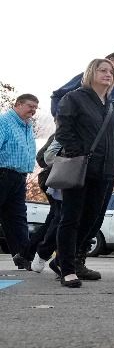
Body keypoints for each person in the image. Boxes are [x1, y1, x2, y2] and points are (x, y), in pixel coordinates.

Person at [50, 49, 114, 276]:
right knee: (71, 218)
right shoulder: (74, 98)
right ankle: (68, 269)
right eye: (103, 70)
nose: (108, 74)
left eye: (111, 71)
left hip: (106, 170)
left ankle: (66, 259)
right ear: (91, 73)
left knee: (92, 220)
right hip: (80, 168)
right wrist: (77, 152)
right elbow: (64, 130)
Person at [1, 93, 39, 270]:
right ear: (18, 104)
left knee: (17, 219)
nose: (33, 110)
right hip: (3, 174)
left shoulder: (27, 126)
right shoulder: (4, 122)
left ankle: (23, 257)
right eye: (30, 106)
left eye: (35, 108)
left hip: (19, 177)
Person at [23, 135, 63, 274]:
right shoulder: (61, 132)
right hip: (55, 178)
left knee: (54, 219)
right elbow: (42, 158)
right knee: (59, 217)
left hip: (55, 178)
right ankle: (40, 254)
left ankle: (27, 254)